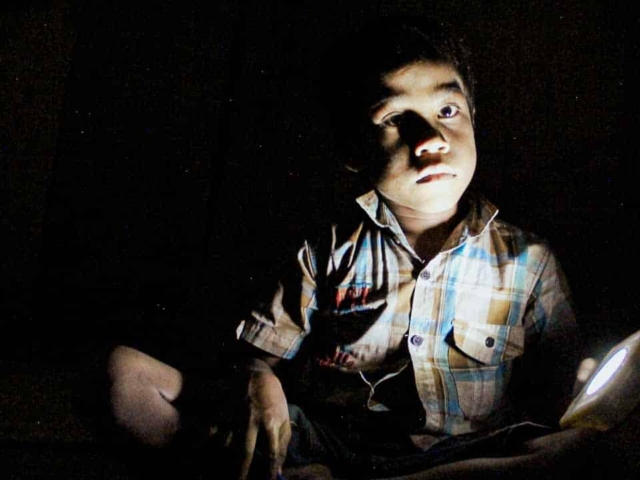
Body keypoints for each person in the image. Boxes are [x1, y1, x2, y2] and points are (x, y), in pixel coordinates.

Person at [105, 17, 605, 480]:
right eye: (394, 118)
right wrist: (258, 384)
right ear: (352, 149)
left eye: (447, 111)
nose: (430, 138)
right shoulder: (325, 249)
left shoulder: (527, 262)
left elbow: (556, 387)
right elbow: (257, 358)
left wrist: (582, 385)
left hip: (466, 452)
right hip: (331, 445)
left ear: (473, 118)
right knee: (123, 373)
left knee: (577, 443)